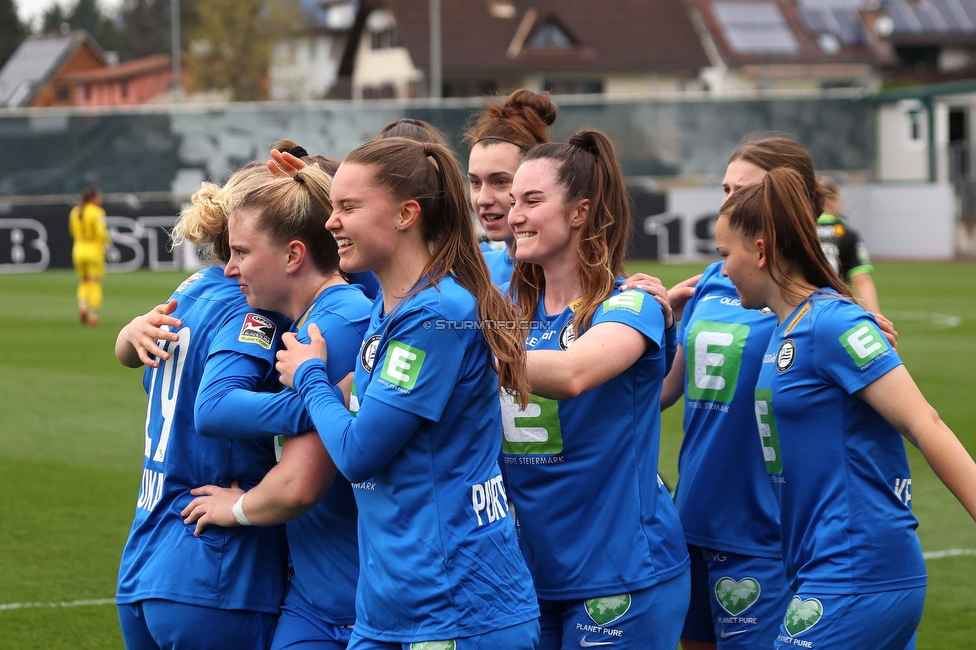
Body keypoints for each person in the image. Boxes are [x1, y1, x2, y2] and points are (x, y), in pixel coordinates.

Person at [275, 137, 541, 649]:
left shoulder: (436, 313)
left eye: (347, 207)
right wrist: (305, 176)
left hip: (455, 609)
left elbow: (358, 455)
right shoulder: (394, 306)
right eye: (332, 207)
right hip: (392, 607)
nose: (332, 222)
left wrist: (309, 377)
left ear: (406, 215)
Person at [717, 167, 976, 649]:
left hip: (858, 569)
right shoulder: (786, 327)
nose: (723, 269)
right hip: (824, 568)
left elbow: (925, 422)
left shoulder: (832, 324)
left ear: (759, 250)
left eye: (724, 254)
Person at [504, 130, 690, 650]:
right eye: (513, 200)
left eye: (532, 201)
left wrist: (470, 349)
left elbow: (572, 374)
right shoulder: (507, 313)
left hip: (621, 572)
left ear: (580, 212)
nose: (514, 214)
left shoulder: (631, 305)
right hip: (528, 574)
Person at [177, 164, 370, 650]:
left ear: (293, 255)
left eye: (241, 252)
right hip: (314, 596)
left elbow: (301, 484)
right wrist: (317, 400)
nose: (228, 268)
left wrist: (236, 508)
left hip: (353, 602)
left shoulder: (336, 326)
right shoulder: (310, 318)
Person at [114, 164, 294, 650]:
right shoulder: (253, 310)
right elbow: (217, 404)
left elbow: (142, 363)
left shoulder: (190, 289)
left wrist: (125, 337)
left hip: (146, 561)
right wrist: (315, 402)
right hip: (215, 571)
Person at [464, 89, 556, 285]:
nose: (483, 199)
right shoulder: (472, 271)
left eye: (500, 182)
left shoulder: (570, 282)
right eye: (475, 183)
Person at [817, 176, 880, 313]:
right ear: (831, 200)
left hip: (802, 308)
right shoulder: (848, 234)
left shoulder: (799, 231)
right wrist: (876, 317)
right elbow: (861, 279)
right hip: (835, 308)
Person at [69, 186, 111, 326]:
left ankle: (82, 305)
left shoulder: (75, 212)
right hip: (93, 249)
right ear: (93, 198)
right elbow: (101, 232)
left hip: (79, 249)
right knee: (95, 282)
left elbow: (72, 231)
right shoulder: (97, 212)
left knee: (84, 280)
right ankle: (93, 313)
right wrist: (107, 243)